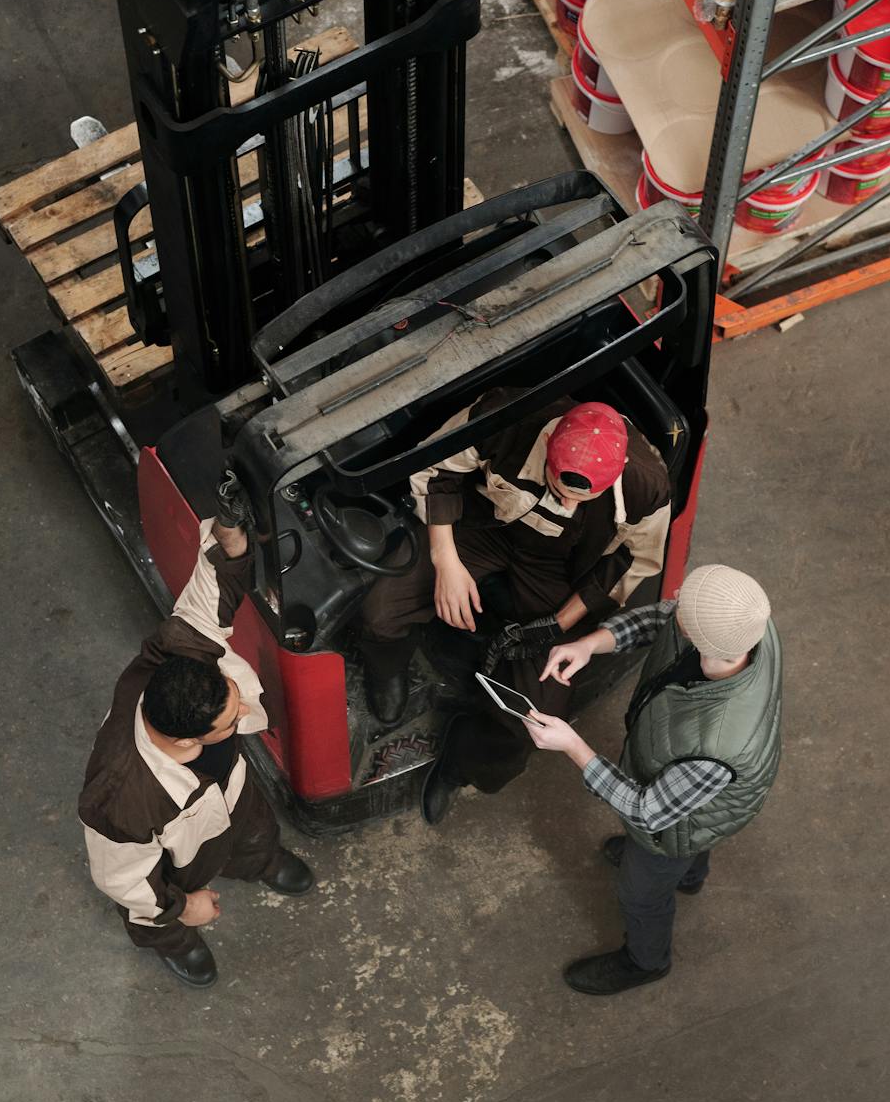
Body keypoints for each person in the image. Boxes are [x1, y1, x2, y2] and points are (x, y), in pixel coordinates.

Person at [357, 387, 672, 824]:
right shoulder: (501, 419)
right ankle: (388, 668)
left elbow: (631, 562)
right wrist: (445, 561)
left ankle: (461, 761)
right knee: (382, 609)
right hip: (482, 527)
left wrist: (556, 623)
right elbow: (433, 469)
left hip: (560, 568)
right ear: (547, 449)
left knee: (536, 718)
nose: (566, 503)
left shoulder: (647, 485)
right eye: (561, 488)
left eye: (581, 499)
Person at [77, 500, 316, 989]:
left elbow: (206, 595)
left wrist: (231, 542)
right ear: (187, 740)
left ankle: (261, 858)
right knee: (154, 905)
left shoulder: (182, 656)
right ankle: (175, 942)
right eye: (232, 720)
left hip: (226, 787)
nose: (246, 713)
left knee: (249, 823)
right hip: (171, 842)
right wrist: (185, 907)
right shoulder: (120, 799)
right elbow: (122, 879)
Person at [522, 564, 782, 996]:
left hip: (673, 823)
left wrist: (572, 745)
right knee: (691, 843)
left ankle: (646, 961)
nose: (676, 596)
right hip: (703, 798)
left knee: (641, 892)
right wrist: (590, 644)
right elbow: (663, 620)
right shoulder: (745, 627)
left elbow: (647, 810)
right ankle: (688, 875)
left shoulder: (718, 747)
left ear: (704, 641)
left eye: (686, 606)